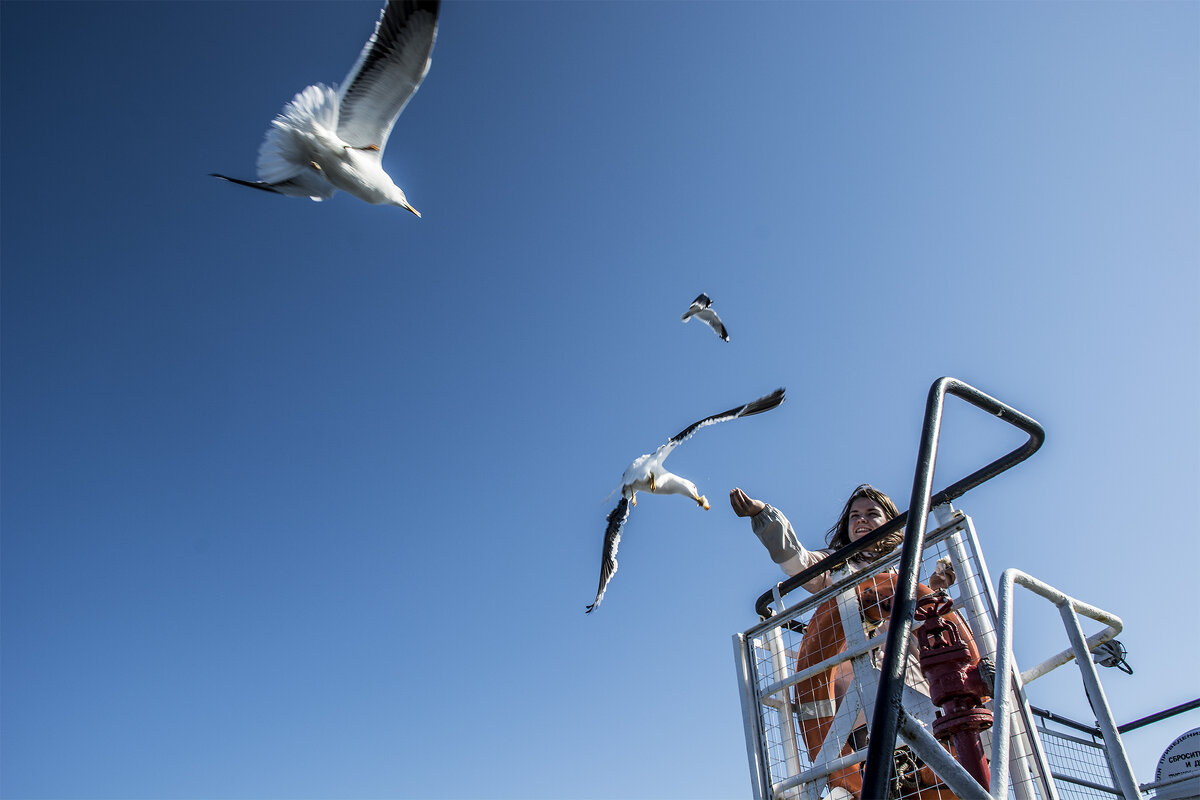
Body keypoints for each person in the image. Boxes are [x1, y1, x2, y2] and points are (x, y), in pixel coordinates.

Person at [730, 483, 958, 799]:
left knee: (931, 775)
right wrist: (763, 516)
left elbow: (925, 621)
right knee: (881, 779)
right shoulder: (838, 565)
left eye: (871, 514)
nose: (861, 520)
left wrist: (933, 585)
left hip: (915, 693)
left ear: (891, 521)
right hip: (860, 704)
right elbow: (799, 561)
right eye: (854, 516)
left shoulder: (904, 568)